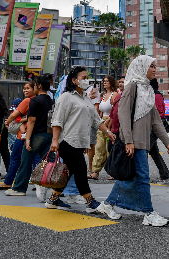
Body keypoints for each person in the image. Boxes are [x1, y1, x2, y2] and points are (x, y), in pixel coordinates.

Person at [103, 55, 169, 226]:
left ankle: (107, 204)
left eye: (154, 66)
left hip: (143, 142)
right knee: (143, 176)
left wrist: (167, 142)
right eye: (151, 66)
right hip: (133, 142)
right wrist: (128, 140)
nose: (154, 69)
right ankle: (148, 213)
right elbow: (123, 114)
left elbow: (156, 120)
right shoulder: (132, 87)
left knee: (132, 177)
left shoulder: (148, 90)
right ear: (142, 67)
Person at [48, 66, 117, 213]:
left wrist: (108, 132)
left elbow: (96, 120)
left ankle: (53, 199)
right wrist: (55, 141)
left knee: (69, 171)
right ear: (74, 80)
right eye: (83, 78)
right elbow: (57, 121)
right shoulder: (66, 97)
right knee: (80, 170)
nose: (87, 80)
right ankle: (90, 201)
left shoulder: (85, 98)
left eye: (87, 78)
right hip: (67, 141)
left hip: (79, 141)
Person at [5, 75, 54, 196]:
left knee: (26, 161)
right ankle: (54, 186)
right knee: (48, 162)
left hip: (36, 135)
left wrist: (27, 139)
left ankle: (19, 188)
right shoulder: (50, 100)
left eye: (35, 85)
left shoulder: (34, 100)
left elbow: (31, 121)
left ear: (39, 86)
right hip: (48, 134)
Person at [0, 82, 36, 190]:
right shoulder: (37, 100)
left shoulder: (27, 100)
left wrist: (7, 122)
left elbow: (14, 115)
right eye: (24, 89)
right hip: (34, 134)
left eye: (28, 88)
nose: (25, 90)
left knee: (15, 159)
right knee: (34, 159)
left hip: (22, 136)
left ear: (34, 88)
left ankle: (8, 182)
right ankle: (38, 182)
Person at [91, 76, 118, 179]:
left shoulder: (114, 94)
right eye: (104, 81)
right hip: (102, 123)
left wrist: (107, 123)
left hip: (110, 122)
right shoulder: (104, 95)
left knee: (109, 149)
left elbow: (114, 111)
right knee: (99, 148)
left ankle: (113, 172)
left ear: (111, 82)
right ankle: (95, 171)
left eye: (107, 81)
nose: (105, 83)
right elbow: (101, 111)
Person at [149, 78, 169, 183]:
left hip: (155, 124)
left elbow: (157, 113)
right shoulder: (155, 94)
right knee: (154, 152)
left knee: (144, 150)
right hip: (154, 124)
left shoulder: (156, 95)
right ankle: (165, 174)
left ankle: (140, 175)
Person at [86, 83, 101, 179]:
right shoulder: (79, 91)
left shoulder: (93, 89)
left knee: (91, 144)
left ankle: (91, 167)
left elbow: (96, 107)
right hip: (82, 121)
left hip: (90, 122)